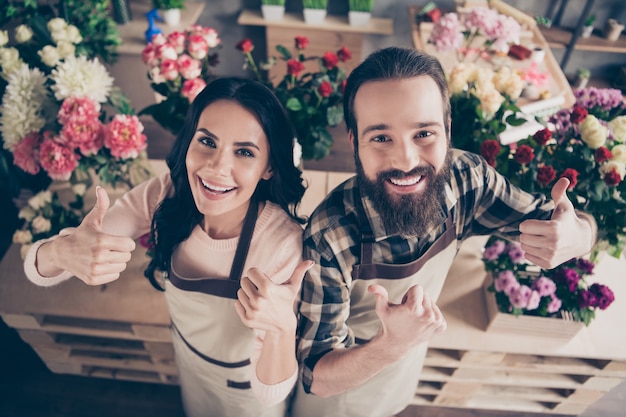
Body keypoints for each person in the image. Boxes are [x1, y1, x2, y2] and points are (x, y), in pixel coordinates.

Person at [291, 47, 597, 417]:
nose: (405, 160)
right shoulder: (331, 235)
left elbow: (562, 222)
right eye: (381, 138)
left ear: (448, 131)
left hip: (402, 375)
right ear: (355, 142)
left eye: (423, 133)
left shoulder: (468, 180)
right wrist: (392, 345)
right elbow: (317, 375)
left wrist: (579, 235)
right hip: (336, 402)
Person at [23, 77, 313, 417]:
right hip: (189, 362)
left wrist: (282, 328)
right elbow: (39, 267)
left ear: (269, 168)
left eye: (244, 152)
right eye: (206, 142)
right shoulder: (166, 194)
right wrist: (61, 252)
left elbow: (270, 393)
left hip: (245, 391)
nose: (217, 168)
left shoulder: (280, 245)